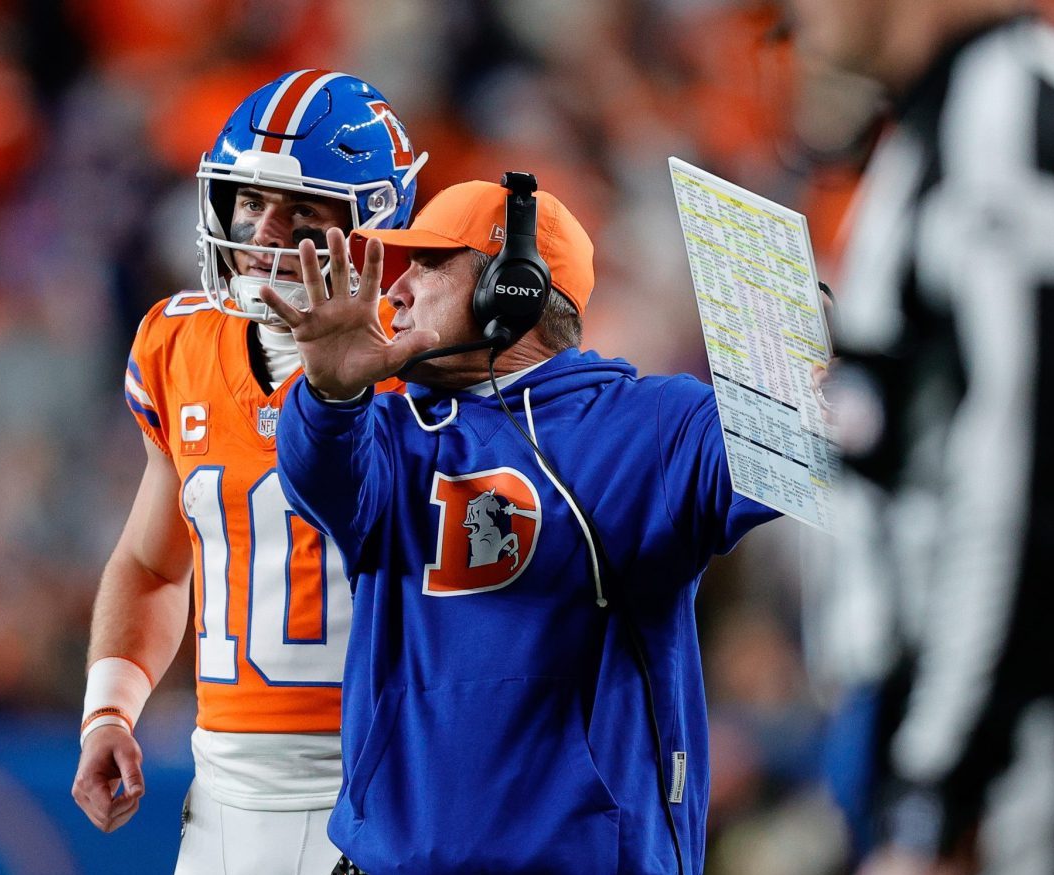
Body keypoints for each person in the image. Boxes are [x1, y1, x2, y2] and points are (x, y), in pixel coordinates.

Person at [259, 177, 778, 874]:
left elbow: (791, 453)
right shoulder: (389, 430)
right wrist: (330, 392)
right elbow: (316, 474)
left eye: (430, 264)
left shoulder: (652, 427)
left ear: (513, 288)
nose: (398, 291)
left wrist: (795, 356)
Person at [787, 1, 1054, 873]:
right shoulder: (953, 117)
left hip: (1035, 732)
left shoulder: (998, 127)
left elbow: (1029, 475)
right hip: (994, 712)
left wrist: (945, 783)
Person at [69, 69, 425, 873]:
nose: (262, 231)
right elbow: (156, 563)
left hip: (384, 790)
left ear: (373, 225)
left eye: (302, 210)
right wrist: (110, 710)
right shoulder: (178, 345)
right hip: (222, 794)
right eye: (249, 201)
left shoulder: (430, 366)